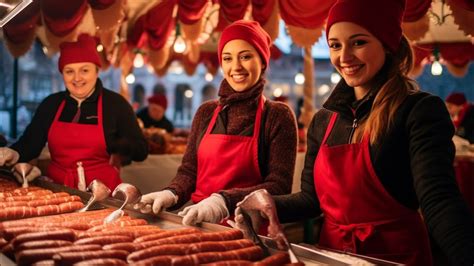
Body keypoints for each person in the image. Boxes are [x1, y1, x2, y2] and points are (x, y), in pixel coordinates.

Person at [233, 1, 474, 265]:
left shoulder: (419, 111)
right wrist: (265, 203)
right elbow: (311, 200)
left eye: (358, 42)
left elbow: (439, 200)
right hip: (332, 256)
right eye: (335, 45)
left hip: (397, 257)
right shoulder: (323, 120)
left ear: (387, 43)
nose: (344, 57)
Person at [135, 20, 298, 226]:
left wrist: (222, 201)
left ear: (263, 61)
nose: (236, 67)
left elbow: (279, 187)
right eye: (227, 58)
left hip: (248, 228)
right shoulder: (206, 112)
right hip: (196, 221)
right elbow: (189, 171)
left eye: (245, 56)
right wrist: (172, 193)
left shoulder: (277, 115)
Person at [0, 33, 148, 190]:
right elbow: (31, 144)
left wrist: (117, 144)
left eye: (84, 70)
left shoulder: (116, 104)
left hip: (104, 191)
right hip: (57, 189)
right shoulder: (51, 104)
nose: (77, 78)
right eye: (69, 71)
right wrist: (12, 153)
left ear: (96, 71)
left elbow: (141, 151)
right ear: (62, 74)